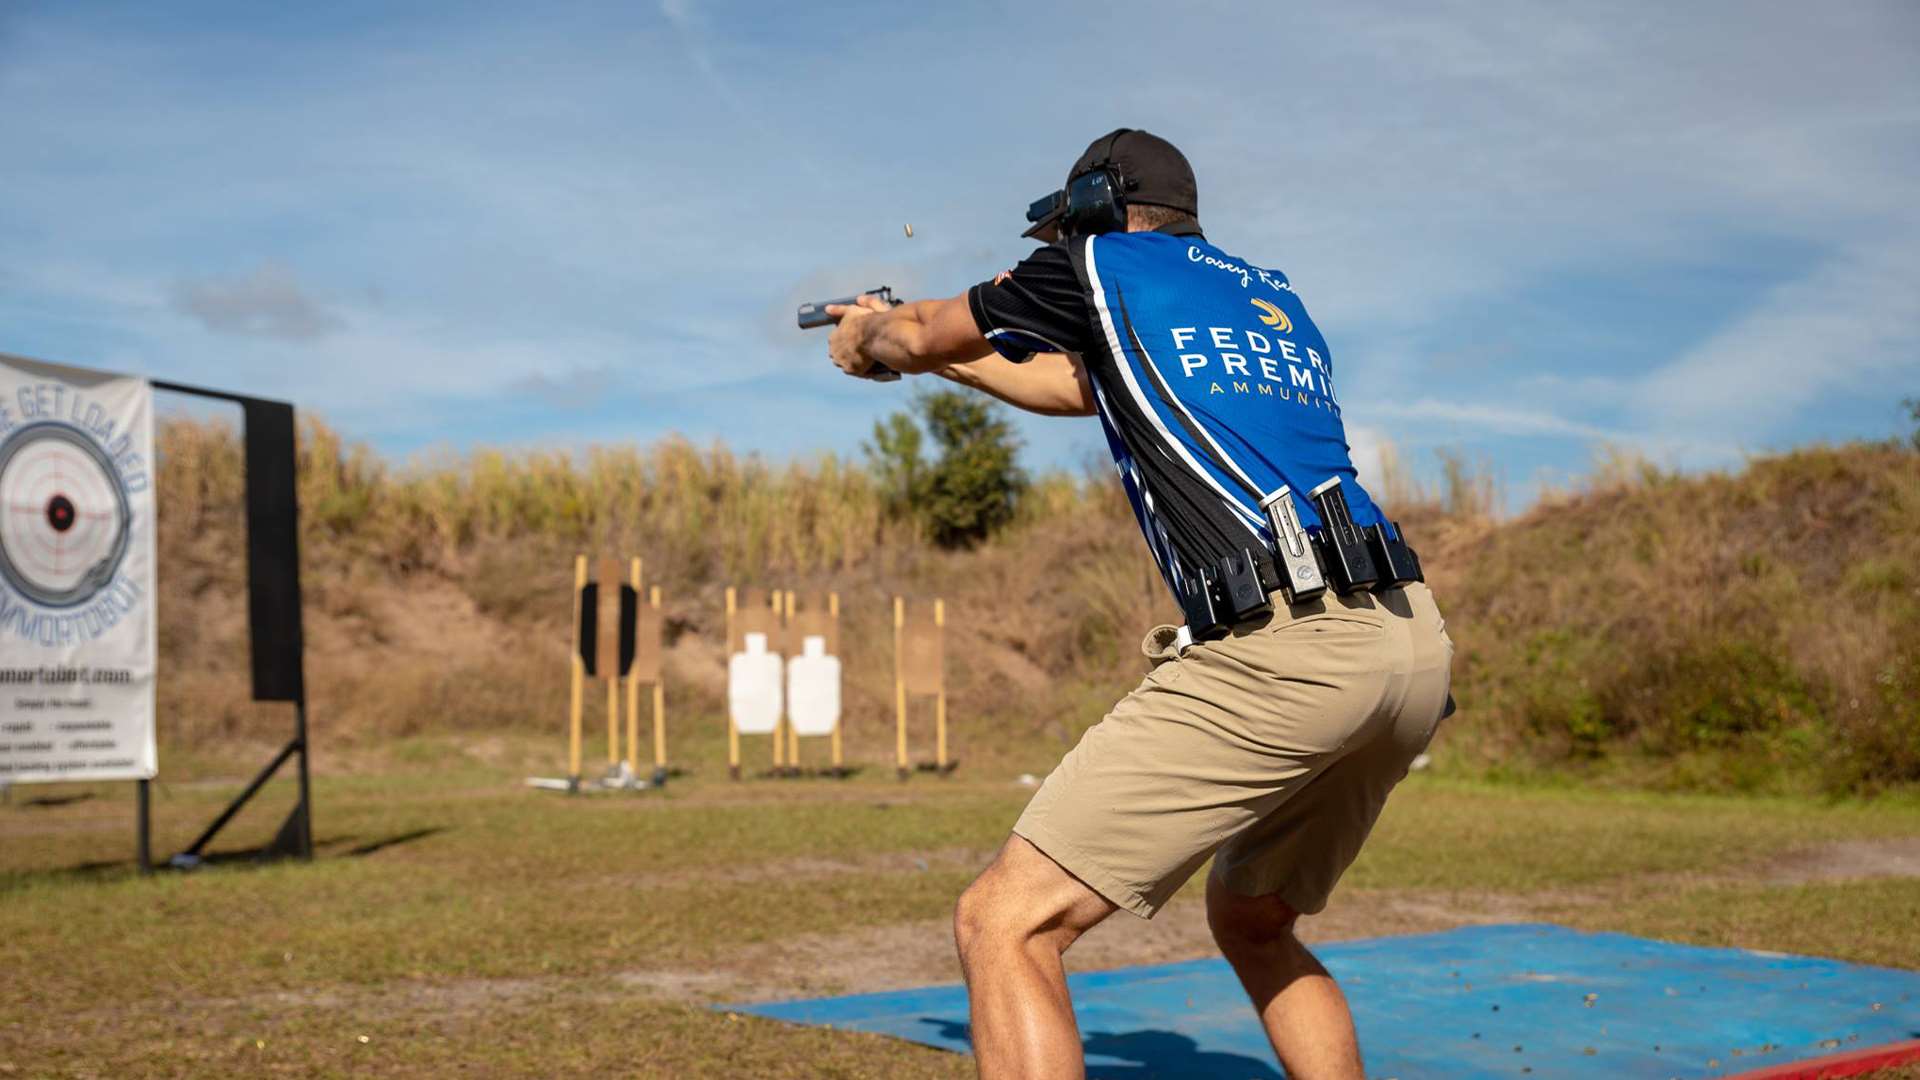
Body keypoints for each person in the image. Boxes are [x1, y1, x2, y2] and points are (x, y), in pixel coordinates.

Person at [823, 128, 1454, 1080]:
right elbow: (1083, 387)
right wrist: (941, 362)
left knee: (1005, 922)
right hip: (1407, 646)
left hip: (1280, 650)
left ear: (1092, 208)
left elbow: (918, 329)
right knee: (1254, 918)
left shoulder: (1095, 262)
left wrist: (873, 338)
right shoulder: (1266, 296)